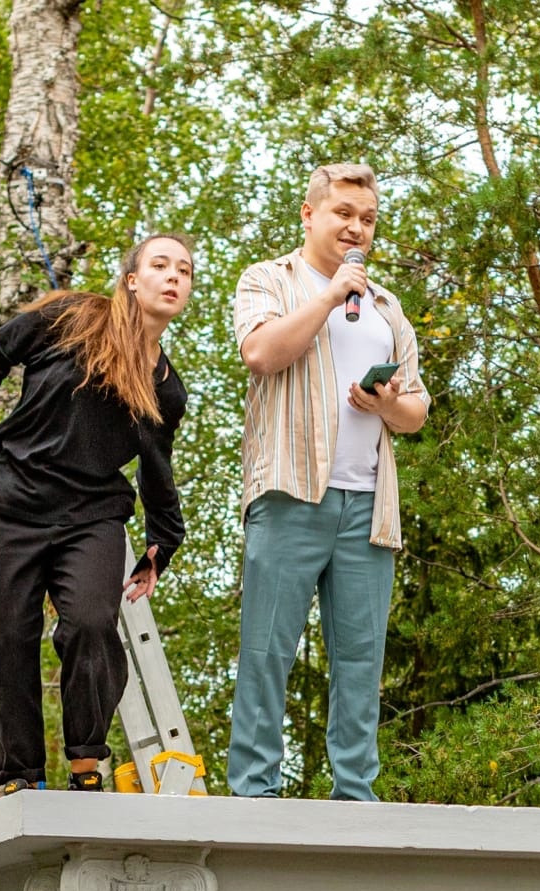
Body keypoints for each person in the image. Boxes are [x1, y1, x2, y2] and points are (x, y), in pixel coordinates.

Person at [0, 235, 195, 793]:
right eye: (160, 265)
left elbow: (156, 468)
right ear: (131, 279)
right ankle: (19, 779)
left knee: (92, 625)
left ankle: (86, 764)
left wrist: (160, 545)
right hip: (10, 503)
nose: (174, 277)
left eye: (185, 271)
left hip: (91, 517)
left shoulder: (166, 390)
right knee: (4, 642)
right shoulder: (72, 317)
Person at [226, 161, 429, 802]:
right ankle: (255, 794)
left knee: (361, 662)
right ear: (310, 214)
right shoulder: (269, 280)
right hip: (290, 493)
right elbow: (261, 354)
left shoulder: (387, 307)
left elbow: (416, 411)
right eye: (344, 214)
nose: (357, 229)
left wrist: (384, 406)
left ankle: (354, 798)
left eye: (367, 219)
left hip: (368, 506)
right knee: (266, 651)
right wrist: (328, 293)